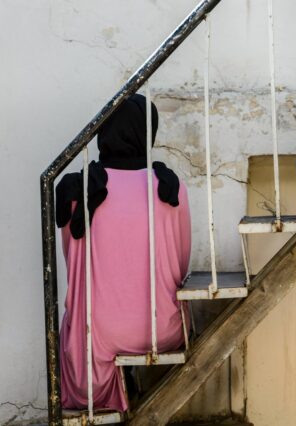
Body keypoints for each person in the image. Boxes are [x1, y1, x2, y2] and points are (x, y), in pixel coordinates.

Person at [55, 94, 191, 412]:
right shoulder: (170, 187)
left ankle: (113, 389)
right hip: (162, 327)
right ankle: (131, 385)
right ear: (148, 131)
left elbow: (71, 261)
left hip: (96, 335)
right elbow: (181, 261)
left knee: (76, 318)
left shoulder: (78, 190)